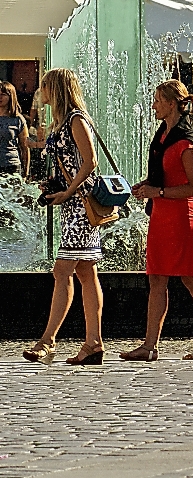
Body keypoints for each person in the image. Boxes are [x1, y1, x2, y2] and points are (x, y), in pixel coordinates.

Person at [121, 80, 193, 362]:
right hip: (162, 215)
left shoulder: (184, 140)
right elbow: (164, 177)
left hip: (181, 216)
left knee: (192, 279)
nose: (153, 105)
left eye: (157, 100)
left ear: (171, 103)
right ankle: (150, 345)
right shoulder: (164, 134)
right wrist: (147, 187)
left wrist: (159, 191)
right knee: (156, 279)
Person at [22, 69, 105, 365]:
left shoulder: (75, 119)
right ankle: (93, 342)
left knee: (62, 271)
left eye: (42, 86)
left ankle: (48, 341)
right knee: (85, 272)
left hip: (82, 206)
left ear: (54, 89)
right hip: (74, 204)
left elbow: (91, 161)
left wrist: (69, 192)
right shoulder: (61, 122)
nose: (38, 91)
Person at [0, 81, 29, 176]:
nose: (0, 97)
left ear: (11, 97)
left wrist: (26, 172)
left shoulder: (17, 119)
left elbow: (25, 148)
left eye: (3, 94)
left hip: (11, 166)